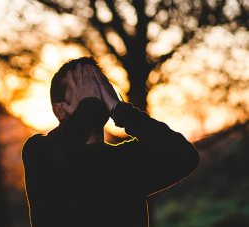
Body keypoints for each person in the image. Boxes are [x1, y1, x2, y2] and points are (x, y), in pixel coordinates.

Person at [22, 56, 200, 227]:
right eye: (82, 87)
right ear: (59, 111)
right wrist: (89, 104)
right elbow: (63, 150)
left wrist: (120, 110)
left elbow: (185, 157)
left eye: (98, 85)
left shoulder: (129, 160)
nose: (93, 93)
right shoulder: (38, 152)